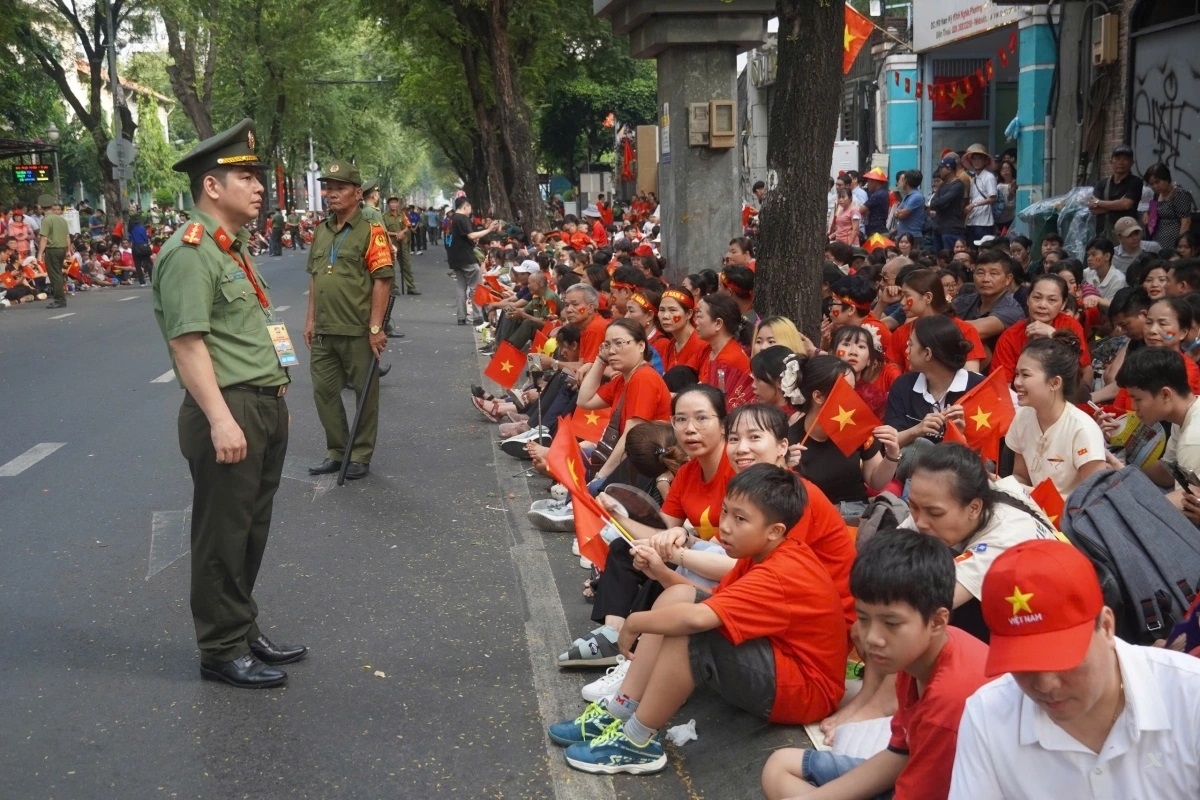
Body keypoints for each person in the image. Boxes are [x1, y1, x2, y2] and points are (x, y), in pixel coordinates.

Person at [550, 465, 848, 775]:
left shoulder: (781, 571)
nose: (726, 527)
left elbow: (699, 618)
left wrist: (635, 622)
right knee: (678, 602)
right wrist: (661, 573)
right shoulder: (760, 553)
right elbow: (708, 598)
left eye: (740, 519)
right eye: (726, 512)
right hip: (779, 662)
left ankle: (636, 742)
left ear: (775, 530)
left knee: (693, 634)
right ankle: (620, 709)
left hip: (807, 691)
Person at [150, 118, 304, 689]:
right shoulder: (191, 252)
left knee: (249, 529)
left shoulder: (230, 248)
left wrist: (276, 394)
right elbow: (186, 343)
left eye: (259, 176)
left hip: (258, 403)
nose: (259, 186)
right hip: (229, 407)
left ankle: (241, 628)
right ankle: (219, 648)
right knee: (223, 534)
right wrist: (221, 418)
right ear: (212, 187)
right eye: (246, 176)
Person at [949, 539, 1200, 798]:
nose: (1046, 686)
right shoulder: (988, 716)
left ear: (1106, 626)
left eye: (1063, 659)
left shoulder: (1190, 696)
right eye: (1023, 664)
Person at [762, 529, 991, 800]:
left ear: (938, 621)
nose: (872, 638)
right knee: (779, 767)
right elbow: (900, 753)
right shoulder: (915, 658)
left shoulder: (948, 699)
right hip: (917, 767)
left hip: (948, 787)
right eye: (864, 618)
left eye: (891, 623)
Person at [303, 159, 395, 481]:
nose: (332, 194)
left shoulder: (372, 232)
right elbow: (315, 277)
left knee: (364, 393)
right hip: (325, 329)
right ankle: (337, 450)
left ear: (358, 193)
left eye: (340, 188)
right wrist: (310, 319)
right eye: (328, 188)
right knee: (323, 391)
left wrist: (375, 327)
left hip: (358, 329)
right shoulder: (321, 231)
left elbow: (383, 279)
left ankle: (360, 454)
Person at [788, 355, 901, 522]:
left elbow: (876, 482)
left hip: (857, 515)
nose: (853, 398)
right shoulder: (789, 440)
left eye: (853, 390)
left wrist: (892, 454)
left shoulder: (855, 426)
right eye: (845, 390)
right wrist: (786, 467)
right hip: (814, 519)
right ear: (818, 396)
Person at [1006, 332, 1108, 499]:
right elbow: (1021, 477)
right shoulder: (1023, 415)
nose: (1017, 382)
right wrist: (1002, 486)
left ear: (1055, 383)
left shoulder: (1083, 429)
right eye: (1017, 374)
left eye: (1025, 375)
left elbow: (1093, 499)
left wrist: (1032, 494)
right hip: (1034, 512)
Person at [576, 319, 672, 492]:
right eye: (607, 345)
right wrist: (600, 360)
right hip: (626, 457)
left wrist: (601, 476)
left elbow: (630, 436)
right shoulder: (623, 378)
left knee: (591, 486)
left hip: (642, 464)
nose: (611, 351)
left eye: (619, 343)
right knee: (572, 457)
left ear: (641, 346)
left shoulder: (644, 378)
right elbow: (584, 401)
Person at [1112, 347, 1200, 503]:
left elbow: (1185, 503)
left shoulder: (1192, 441)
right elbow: (1167, 473)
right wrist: (1122, 471)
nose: (1133, 406)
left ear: (1165, 394)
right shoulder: (1183, 417)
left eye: (1138, 399)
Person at [888, 315, 984, 449]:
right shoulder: (903, 385)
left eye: (910, 345)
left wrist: (959, 435)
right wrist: (916, 430)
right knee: (918, 447)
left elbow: (988, 452)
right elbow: (888, 442)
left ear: (927, 353)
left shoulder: (979, 387)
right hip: (914, 467)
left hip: (961, 465)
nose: (906, 351)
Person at [991, 274, 1092, 388]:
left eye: (1052, 300)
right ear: (1028, 299)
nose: (1042, 305)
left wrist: (1053, 334)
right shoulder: (1010, 337)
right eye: (1037, 297)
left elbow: (1085, 369)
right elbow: (1002, 386)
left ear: (1063, 304)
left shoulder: (1070, 325)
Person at [887, 269, 985, 372]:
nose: (902, 303)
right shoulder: (900, 334)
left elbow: (970, 378)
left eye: (907, 296)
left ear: (928, 297)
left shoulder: (965, 331)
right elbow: (894, 378)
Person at [952, 249, 1025, 353]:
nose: (985, 279)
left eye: (993, 273)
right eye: (980, 273)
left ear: (1008, 279)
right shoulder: (965, 300)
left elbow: (971, 331)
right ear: (973, 276)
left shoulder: (1012, 309)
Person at [446, 196, 500, 325]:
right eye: (470, 207)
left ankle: (461, 317)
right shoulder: (462, 218)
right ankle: (478, 316)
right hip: (466, 257)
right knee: (476, 287)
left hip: (454, 258)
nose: (470, 210)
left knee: (461, 286)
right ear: (465, 206)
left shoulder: (452, 219)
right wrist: (488, 230)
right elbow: (471, 235)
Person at [1089, 144, 1145, 238]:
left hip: (1127, 233)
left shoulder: (1135, 182)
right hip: (1103, 232)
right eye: (1117, 159)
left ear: (1132, 163)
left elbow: (1126, 204)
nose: (1121, 162)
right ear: (1111, 161)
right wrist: (1118, 204)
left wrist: (1099, 202)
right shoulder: (1102, 183)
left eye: (1125, 159)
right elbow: (1093, 209)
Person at [653, 287, 710, 374]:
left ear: (689, 314)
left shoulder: (702, 345)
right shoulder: (671, 345)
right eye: (662, 310)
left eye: (672, 310)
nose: (665, 316)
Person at [37, 195, 71, 309]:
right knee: (58, 274)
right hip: (62, 248)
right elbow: (67, 237)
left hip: (52, 249)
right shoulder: (61, 219)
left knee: (54, 275)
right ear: (52, 206)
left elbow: (44, 238)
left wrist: (40, 253)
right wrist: (68, 250)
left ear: (41, 208)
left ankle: (59, 300)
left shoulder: (46, 220)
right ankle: (61, 298)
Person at [929, 155, 967, 251]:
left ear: (949, 168)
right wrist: (938, 204)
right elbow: (933, 202)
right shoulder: (942, 185)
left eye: (942, 168)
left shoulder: (958, 185)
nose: (939, 171)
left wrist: (939, 204)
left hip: (951, 228)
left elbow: (943, 200)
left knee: (949, 256)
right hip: (938, 227)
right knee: (938, 258)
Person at [963, 144, 998, 242]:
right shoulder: (974, 178)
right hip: (972, 219)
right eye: (974, 159)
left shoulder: (989, 177)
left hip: (984, 221)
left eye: (979, 159)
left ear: (985, 160)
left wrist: (973, 205)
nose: (976, 162)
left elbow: (993, 198)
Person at [383, 196, 417, 295]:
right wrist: (396, 234)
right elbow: (384, 231)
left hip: (403, 243)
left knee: (406, 265)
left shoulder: (402, 215)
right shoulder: (384, 217)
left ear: (398, 204)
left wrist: (402, 232)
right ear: (388, 205)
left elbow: (408, 226)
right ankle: (394, 287)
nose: (393, 204)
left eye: (395, 202)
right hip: (391, 244)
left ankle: (411, 287)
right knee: (391, 266)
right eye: (391, 203)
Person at [1083, 235, 1127, 307]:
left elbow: (1114, 307)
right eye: (1088, 255)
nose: (1089, 259)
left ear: (1107, 256)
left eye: (1094, 254)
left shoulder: (1118, 280)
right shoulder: (1087, 273)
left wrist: (1096, 299)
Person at [894, 170, 927, 241]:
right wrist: (897, 213)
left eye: (903, 180)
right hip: (904, 236)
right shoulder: (907, 195)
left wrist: (898, 213)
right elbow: (896, 213)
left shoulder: (916, 196)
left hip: (912, 237)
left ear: (905, 181)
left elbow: (901, 215)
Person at [861, 168, 890, 237]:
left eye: (868, 182)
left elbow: (861, 210)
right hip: (878, 231)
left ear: (874, 181)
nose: (867, 184)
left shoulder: (877, 195)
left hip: (877, 233)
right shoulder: (883, 192)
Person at [129, 211, 153, 285]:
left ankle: (142, 282)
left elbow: (130, 238)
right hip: (144, 246)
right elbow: (146, 238)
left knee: (137, 265)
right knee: (148, 263)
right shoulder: (142, 228)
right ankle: (153, 279)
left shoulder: (131, 228)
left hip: (135, 247)